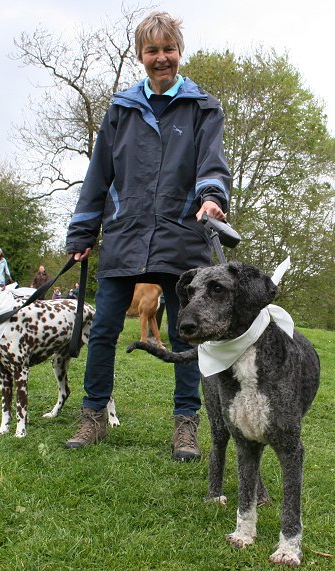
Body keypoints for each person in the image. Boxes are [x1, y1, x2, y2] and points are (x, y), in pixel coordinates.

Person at [64, 11, 230, 461]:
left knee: (187, 335)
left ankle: (185, 425)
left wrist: (212, 198)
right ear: (141, 55)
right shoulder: (121, 110)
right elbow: (98, 176)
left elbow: (211, 165)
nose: (162, 59)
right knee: (102, 331)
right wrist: (83, 231)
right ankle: (93, 415)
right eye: (152, 51)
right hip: (125, 236)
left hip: (182, 238)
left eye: (168, 49)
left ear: (180, 51)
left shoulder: (203, 108)